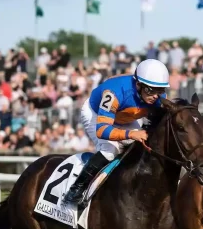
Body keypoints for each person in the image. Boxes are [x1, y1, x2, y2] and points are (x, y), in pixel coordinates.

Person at [63, 59, 170, 206]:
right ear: (138, 85)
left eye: (160, 90)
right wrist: (131, 134)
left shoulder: (158, 98)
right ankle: (76, 190)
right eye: (151, 90)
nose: (156, 96)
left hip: (126, 116)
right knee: (110, 150)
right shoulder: (114, 92)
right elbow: (102, 130)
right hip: (95, 114)